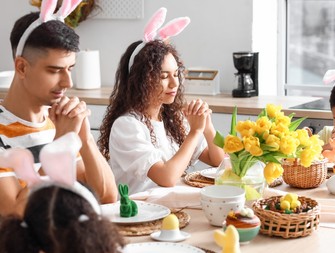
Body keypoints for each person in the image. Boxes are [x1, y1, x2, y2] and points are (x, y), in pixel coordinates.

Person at [0, 1, 117, 217]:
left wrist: (84, 138)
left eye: (70, 68)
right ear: (22, 67)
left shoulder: (59, 121)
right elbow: (17, 214)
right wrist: (61, 143)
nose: (68, 82)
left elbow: (107, 198)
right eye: (55, 71)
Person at [98, 8, 225, 194]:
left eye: (176, 74)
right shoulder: (126, 126)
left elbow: (218, 160)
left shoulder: (173, 119)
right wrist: (195, 131)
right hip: (140, 213)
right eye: (164, 76)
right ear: (141, 79)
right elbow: (166, 177)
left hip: (172, 207)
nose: (174, 83)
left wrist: (206, 126)